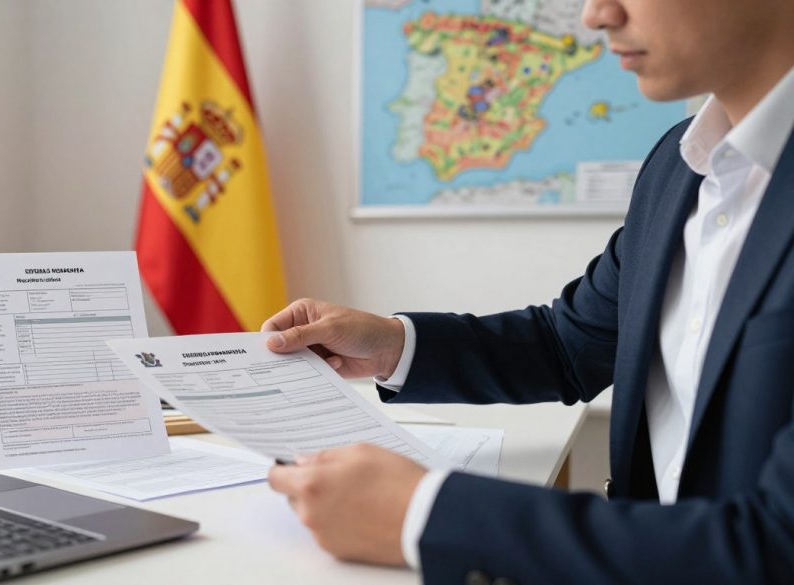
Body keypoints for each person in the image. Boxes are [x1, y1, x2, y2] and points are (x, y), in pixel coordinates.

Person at [262, 0, 794, 582]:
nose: (595, 16)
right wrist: (391, 344)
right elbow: (571, 345)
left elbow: (776, 545)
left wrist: (423, 514)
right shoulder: (679, 161)